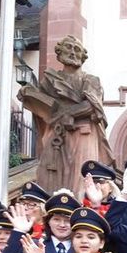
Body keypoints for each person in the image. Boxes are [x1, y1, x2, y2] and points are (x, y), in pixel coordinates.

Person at [18, 35, 115, 192]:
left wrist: (65, 113)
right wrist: (29, 95)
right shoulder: (49, 81)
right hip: (57, 135)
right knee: (50, 179)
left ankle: (80, 214)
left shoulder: (90, 80)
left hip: (84, 134)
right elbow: (42, 107)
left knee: (81, 179)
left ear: (83, 57)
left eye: (77, 50)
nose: (72, 53)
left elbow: (92, 105)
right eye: (68, 48)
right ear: (59, 52)